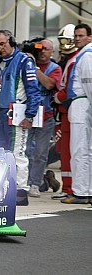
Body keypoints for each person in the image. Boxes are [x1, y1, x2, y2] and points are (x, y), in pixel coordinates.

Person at [0, 30, 42, 206]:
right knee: (2, 152)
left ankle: (20, 191)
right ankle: (4, 187)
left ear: (11, 41)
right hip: (2, 112)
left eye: (2, 44)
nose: (0, 48)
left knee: (18, 152)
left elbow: (34, 90)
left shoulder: (24, 60)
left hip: (18, 112)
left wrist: (30, 115)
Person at [26, 39, 62, 197]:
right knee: (25, 151)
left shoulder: (55, 68)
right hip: (28, 114)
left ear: (52, 51)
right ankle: (30, 180)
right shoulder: (25, 64)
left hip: (46, 116)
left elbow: (49, 85)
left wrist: (34, 69)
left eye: (46, 49)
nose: (42, 52)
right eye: (39, 49)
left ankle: (35, 183)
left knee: (40, 153)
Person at [62, 23, 92, 204]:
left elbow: (89, 84)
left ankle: (81, 192)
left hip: (82, 105)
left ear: (89, 37)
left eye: (81, 35)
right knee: (84, 150)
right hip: (81, 104)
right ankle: (85, 190)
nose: (77, 39)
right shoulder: (84, 55)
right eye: (76, 36)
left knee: (80, 150)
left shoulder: (86, 57)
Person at [52, 24, 79, 199]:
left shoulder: (75, 60)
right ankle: (67, 187)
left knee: (70, 151)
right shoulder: (71, 59)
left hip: (68, 110)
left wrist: (55, 98)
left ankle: (69, 188)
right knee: (65, 150)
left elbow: (68, 88)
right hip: (65, 111)